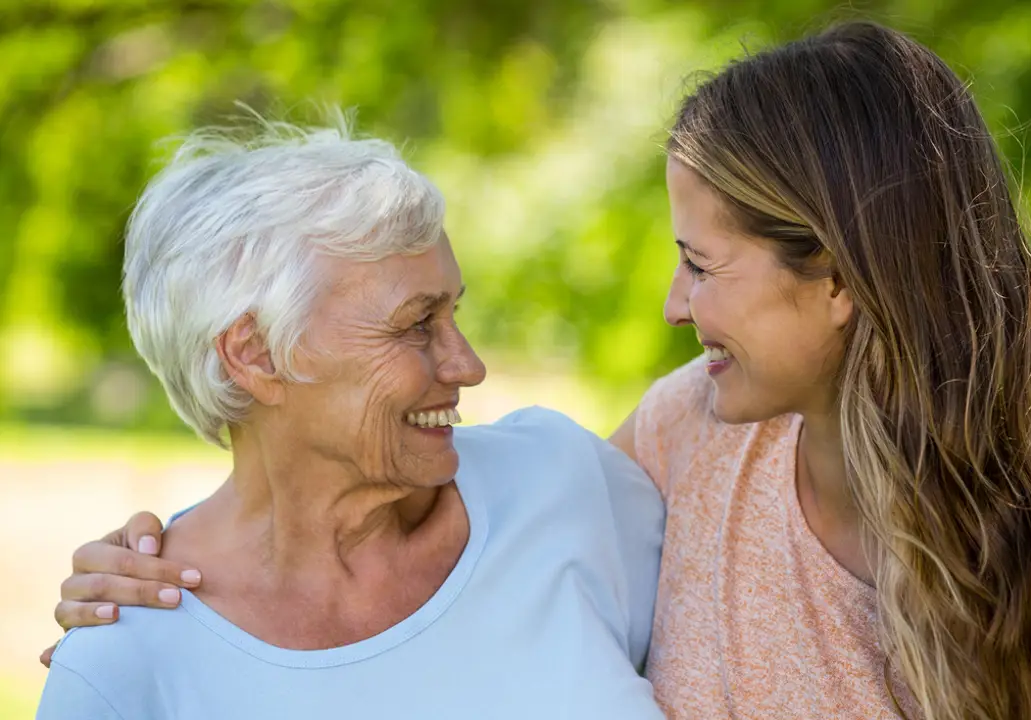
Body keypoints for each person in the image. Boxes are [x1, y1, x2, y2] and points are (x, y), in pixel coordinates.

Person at [45, 20, 1031, 720]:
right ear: (253, 352)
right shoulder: (690, 440)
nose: (674, 306)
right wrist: (138, 598)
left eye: (699, 263)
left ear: (840, 283)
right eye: (415, 323)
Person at [35, 117, 666, 719]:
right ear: (257, 356)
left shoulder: (560, 482)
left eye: (453, 315)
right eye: (417, 324)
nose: (467, 366)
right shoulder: (126, 653)